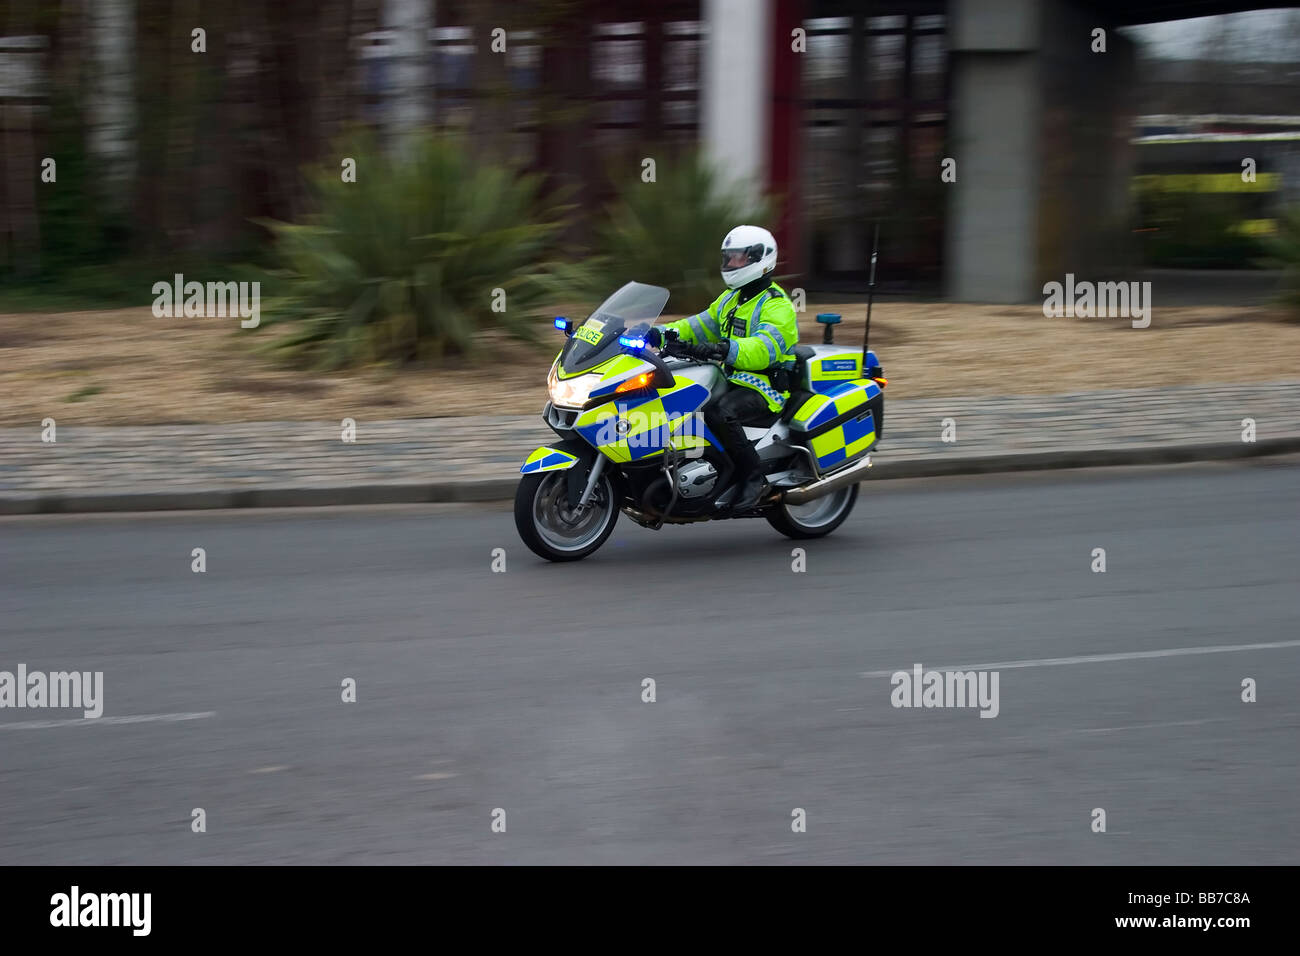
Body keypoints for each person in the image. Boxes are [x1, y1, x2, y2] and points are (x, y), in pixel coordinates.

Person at [646, 225, 798, 510]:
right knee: (682, 397)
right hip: (731, 376)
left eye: (738, 258)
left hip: (765, 386)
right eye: (728, 258)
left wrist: (725, 349)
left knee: (719, 412)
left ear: (759, 259)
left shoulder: (777, 306)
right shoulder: (732, 298)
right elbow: (699, 325)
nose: (731, 264)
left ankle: (752, 477)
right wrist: (661, 333)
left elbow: (764, 348)